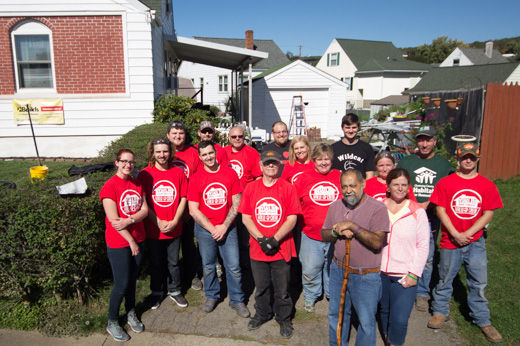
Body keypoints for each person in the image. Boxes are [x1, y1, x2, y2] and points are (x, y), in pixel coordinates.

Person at [427, 142, 503, 343]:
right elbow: (440, 209)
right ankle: (440, 311)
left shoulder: (487, 184)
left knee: (478, 281)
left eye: (472, 157)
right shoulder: (446, 183)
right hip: (450, 240)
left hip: (475, 241)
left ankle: (482, 319)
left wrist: (468, 233)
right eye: (464, 157)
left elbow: (488, 213)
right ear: (457, 158)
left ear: (477, 158)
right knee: (444, 278)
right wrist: (454, 233)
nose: (468, 160)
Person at [321, 169, 390, 346]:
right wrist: (336, 232)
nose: (348, 190)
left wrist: (353, 226)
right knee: (337, 315)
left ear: (363, 184)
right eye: (344, 186)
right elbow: (324, 234)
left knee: (366, 322)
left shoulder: (378, 208)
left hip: (366, 275)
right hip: (338, 270)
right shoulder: (335, 206)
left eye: (353, 185)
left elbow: (376, 242)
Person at [238, 150, 302, 339]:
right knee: (262, 286)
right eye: (267, 163)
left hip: (281, 248)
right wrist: (261, 239)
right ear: (261, 166)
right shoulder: (251, 188)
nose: (271, 166)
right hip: (258, 247)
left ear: (279, 165)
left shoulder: (287, 187)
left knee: (282, 290)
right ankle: (262, 314)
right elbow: (246, 218)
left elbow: (292, 218)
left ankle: (283, 318)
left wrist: (275, 239)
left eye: (274, 163)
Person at [187, 141, 250, 317]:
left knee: (234, 266)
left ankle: (237, 300)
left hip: (228, 229)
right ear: (200, 157)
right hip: (205, 230)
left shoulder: (229, 173)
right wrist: (212, 228)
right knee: (208, 266)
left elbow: (237, 202)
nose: (208, 157)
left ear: (216, 153)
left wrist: (224, 226)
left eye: (210, 153)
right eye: (204, 154)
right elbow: (193, 209)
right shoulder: (195, 177)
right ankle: (212, 296)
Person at [397, 127, 453, 312]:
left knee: (427, 256)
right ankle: (401, 282)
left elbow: (448, 190)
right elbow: (398, 183)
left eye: (428, 140)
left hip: (431, 216)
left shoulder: (443, 165)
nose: (424, 144)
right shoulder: (407, 161)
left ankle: (421, 292)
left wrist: (429, 203)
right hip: (407, 213)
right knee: (404, 249)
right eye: (421, 140)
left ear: (434, 141)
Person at [100, 149, 149, 342]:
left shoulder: (136, 183)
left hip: (139, 238)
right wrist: (131, 241)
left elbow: (145, 210)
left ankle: (130, 313)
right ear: (116, 163)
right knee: (121, 283)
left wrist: (129, 220)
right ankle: (112, 321)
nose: (128, 165)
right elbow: (114, 221)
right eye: (124, 161)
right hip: (120, 243)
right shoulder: (109, 186)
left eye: (131, 162)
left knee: (132, 281)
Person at [380, 168, 429, 346]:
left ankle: (395, 342)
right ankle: (387, 338)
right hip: (379, 272)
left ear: (409, 187)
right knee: (384, 311)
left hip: (404, 275)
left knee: (400, 318)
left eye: (404, 185)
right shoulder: (378, 206)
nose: (400, 188)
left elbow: (423, 245)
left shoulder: (417, 212)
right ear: (388, 186)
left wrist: (414, 273)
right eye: (396, 184)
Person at [137, 138, 188, 310]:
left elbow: (183, 198)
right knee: (156, 262)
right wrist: (157, 220)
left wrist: (175, 220)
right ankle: (157, 292)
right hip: (154, 228)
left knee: (173, 262)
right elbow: (143, 202)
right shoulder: (145, 174)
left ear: (170, 152)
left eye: (165, 151)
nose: (162, 155)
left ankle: (175, 290)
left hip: (174, 227)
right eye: (158, 151)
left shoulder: (178, 172)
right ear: (152, 153)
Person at [294, 143, 341, 313]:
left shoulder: (339, 176)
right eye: (320, 159)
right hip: (310, 234)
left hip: (335, 235)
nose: (323, 162)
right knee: (310, 268)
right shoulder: (304, 178)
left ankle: (331, 294)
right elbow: (294, 203)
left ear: (331, 160)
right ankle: (311, 296)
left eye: (326, 159)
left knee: (332, 267)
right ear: (313, 160)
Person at [166, 121, 203, 291]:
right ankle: (171, 280)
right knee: (170, 247)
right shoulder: (163, 152)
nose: (177, 136)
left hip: (189, 207)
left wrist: (190, 207)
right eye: (174, 133)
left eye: (180, 133)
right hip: (167, 208)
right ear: (168, 135)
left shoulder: (194, 153)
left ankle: (193, 275)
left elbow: (199, 179)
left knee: (189, 244)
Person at [331, 113, 376, 179]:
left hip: (360, 187)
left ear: (358, 128)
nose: (351, 131)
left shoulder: (367, 148)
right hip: (339, 187)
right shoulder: (333, 148)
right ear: (342, 128)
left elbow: (370, 174)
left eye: (354, 127)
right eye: (347, 128)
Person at [224, 125, 262, 189]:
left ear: (244, 137)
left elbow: (258, 177)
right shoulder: (223, 152)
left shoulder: (252, 153)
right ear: (229, 137)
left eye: (240, 136)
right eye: (234, 137)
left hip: (247, 194)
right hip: (229, 194)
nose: (237, 138)